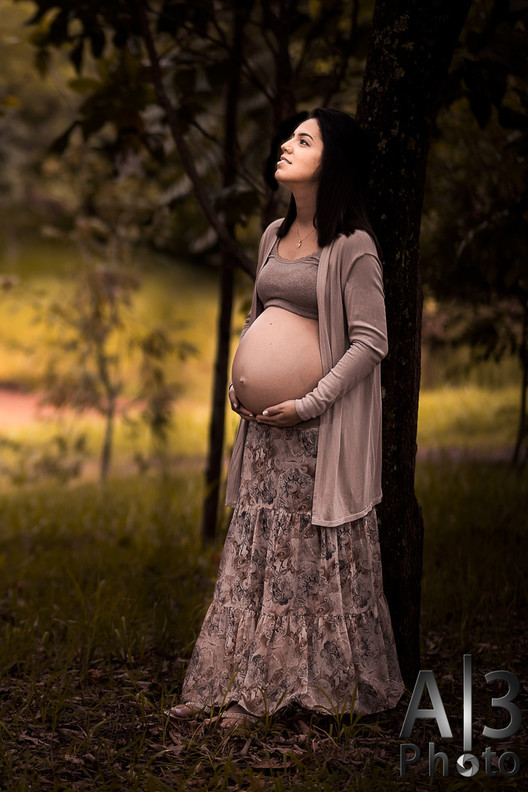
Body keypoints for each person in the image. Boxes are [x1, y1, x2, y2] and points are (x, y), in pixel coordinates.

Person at [168, 108, 405, 728]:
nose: (285, 146)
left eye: (304, 140)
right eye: (288, 137)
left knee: (305, 556)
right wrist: (238, 381)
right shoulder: (273, 235)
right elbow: (257, 318)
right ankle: (237, 680)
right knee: (260, 551)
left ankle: (277, 694)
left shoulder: (353, 248)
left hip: (316, 432)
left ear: (335, 164)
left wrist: (309, 402)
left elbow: (371, 341)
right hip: (264, 429)